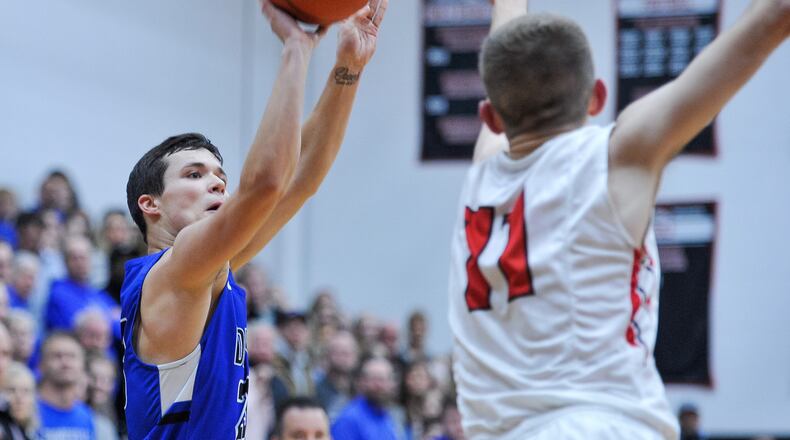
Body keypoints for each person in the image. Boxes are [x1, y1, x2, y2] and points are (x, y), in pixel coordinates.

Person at [447, 0, 790, 438]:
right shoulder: (614, 159)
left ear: (489, 117)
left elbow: (507, 34)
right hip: (598, 424)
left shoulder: (482, 175)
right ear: (597, 97)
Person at [119, 0, 388, 437]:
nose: (218, 183)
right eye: (194, 173)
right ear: (151, 204)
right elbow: (266, 185)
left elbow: (297, 182)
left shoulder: (205, 271)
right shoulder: (174, 272)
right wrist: (296, 49)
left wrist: (348, 68)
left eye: (221, 176)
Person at [36, 332, 96, 440]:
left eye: (72, 356)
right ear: (41, 365)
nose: (65, 362)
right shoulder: (28, 411)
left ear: (83, 364)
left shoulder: (86, 415)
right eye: (57, 356)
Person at [331, 357, 402, 440]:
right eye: (374, 380)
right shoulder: (349, 419)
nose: (378, 386)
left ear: (392, 384)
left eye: (383, 380)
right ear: (363, 382)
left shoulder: (388, 416)